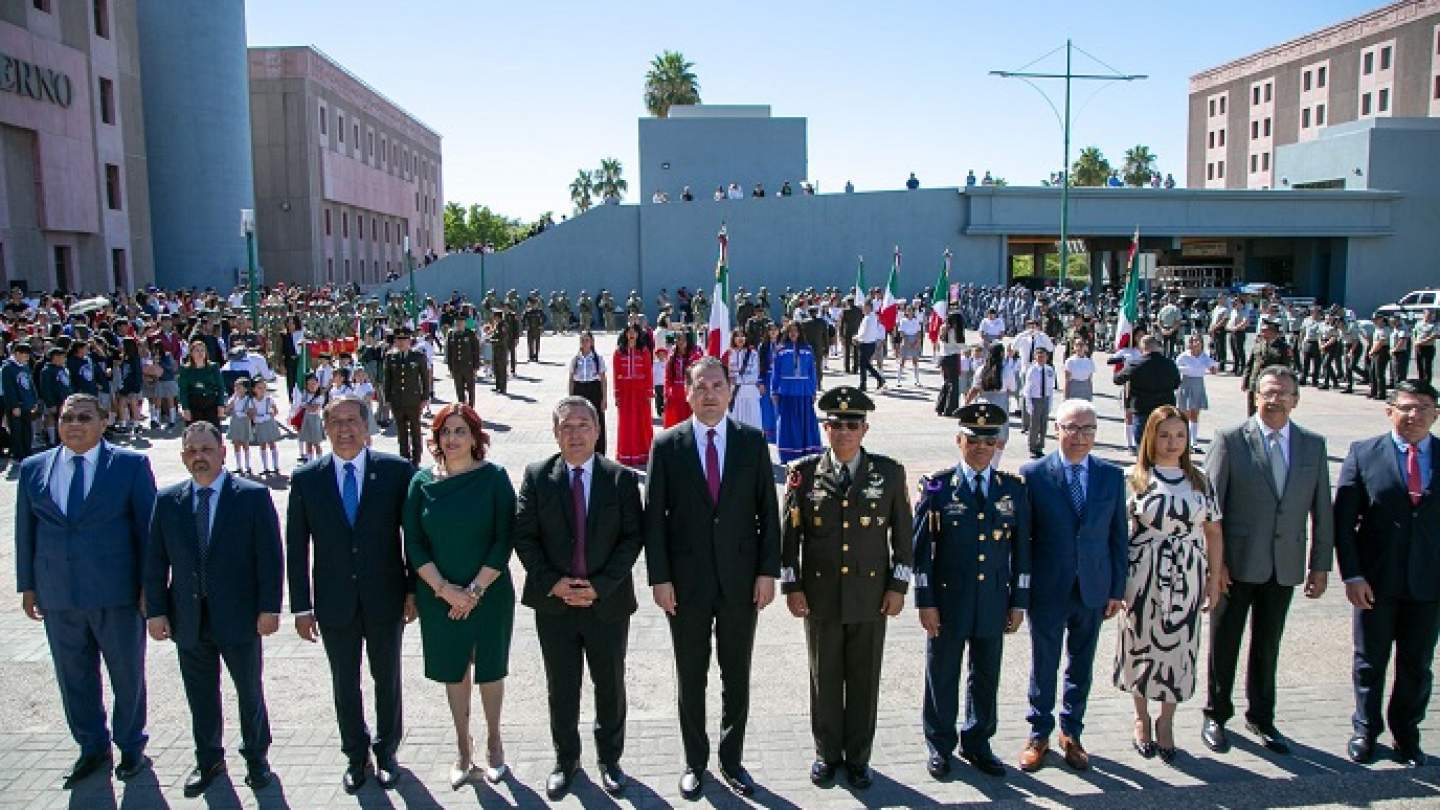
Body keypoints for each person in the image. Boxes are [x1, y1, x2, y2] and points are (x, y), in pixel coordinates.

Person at [644, 357, 781, 799]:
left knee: (736, 673)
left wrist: (766, 572)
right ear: (685, 392)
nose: (709, 394)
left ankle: (732, 759)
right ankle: (694, 760)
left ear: (730, 391)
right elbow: (654, 522)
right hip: (685, 585)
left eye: (717, 385)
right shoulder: (667, 445)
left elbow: (768, 514)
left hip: (742, 583)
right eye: (700, 386)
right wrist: (659, 579)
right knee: (692, 674)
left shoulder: (752, 442)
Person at [15, 394, 158, 788]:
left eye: (83, 417)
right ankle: (92, 747)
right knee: (73, 676)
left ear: (104, 421)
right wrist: (27, 585)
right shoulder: (33, 468)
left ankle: (131, 747)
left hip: (118, 594)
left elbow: (148, 529)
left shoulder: (129, 466)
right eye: (66, 417)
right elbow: (25, 532)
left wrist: (151, 586)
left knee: (126, 675)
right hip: (58, 595)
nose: (73, 424)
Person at [781, 387, 912, 788]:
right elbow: (789, 539)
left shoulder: (888, 473)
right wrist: (793, 588)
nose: (843, 432)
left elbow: (903, 538)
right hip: (820, 597)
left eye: (851, 425)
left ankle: (858, 758)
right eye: (835, 425)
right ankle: (827, 753)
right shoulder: (803, 474)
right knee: (824, 678)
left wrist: (898, 587)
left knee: (863, 679)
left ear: (865, 429)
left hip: (870, 597)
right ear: (825, 428)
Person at [514, 397, 644, 799]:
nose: (575, 434)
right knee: (562, 685)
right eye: (566, 427)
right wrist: (554, 583)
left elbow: (632, 537)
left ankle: (610, 759)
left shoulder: (619, 478)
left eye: (583, 425)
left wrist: (600, 584)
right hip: (554, 605)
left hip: (607, 603)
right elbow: (524, 536)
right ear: (555, 433)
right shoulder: (538, 477)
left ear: (597, 429)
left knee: (610, 684)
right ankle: (566, 760)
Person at [286, 397, 417, 793]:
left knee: (387, 677)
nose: (344, 430)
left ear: (367, 427)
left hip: (385, 597)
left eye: (352, 422)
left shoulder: (395, 472)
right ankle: (355, 754)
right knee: (345, 681)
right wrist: (301, 607)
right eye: (335, 422)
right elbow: (296, 546)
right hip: (334, 601)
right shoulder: (307, 478)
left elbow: (413, 536)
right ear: (324, 428)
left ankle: (388, 751)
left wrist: (412, 590)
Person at [144, 421, 282, 795]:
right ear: (183, 457)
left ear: (223, 452)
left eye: (206, 449)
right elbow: (155, 561)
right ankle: (208, 759)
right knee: (200, 695)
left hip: (240, 618)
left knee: (249, 691)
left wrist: (270, 608)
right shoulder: (168, 501)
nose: (199, 457)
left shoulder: (251, 496)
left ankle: (257, 758)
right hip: (188, 619)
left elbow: (270, 558)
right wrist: (155, 611)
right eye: (192, 451)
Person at [1202, 365, 1333, 756]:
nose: (1275, 399)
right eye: (1268, 392)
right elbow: (1211, 510)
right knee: (1224, 642)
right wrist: (1215, 564)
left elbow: (1322, 508)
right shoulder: (1230, 440)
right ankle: (1216, 714)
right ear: (1255, 396)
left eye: (1283, 393)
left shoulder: (1312, 444)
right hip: (1235, 564)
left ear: (1296, 399)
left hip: (1284, 563)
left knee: (1268, 644)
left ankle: (1262, 716)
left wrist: (1320, 564)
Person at [913, 402, 1031, 780]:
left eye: (989, 440)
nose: (981, 447)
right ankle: (939, 743)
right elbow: (920, 552)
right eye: (973, 439)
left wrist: (1019, 601)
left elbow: (1022, 551)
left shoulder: (1012, 489)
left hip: (993, 599)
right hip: (949, 600)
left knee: (986, 674)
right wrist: (925, 601)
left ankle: (978, 741)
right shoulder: (938, 486)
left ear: (998, 443)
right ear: (958, 440)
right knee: (942, 673)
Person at [404, 403, 516, 789]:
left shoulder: (495, 478)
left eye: (459, 431)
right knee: (454, 670)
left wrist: (473, 591)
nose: (451, 439)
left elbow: (504, 539)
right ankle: (463, 749)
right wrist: (444, 590)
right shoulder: (421, 482)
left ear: (474, 437)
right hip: (439, 596)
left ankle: (495, 743)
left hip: (489, 594)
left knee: (490, 669)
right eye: (445, 432)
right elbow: (414, 543)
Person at [1018, 399, 1128, 773]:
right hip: (1048, 588)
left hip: (1093, 588)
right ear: (1056, 430)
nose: (1080, 437)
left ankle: (1072, 733)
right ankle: (1039, 733)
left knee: (1081, 664)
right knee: (1044, 663)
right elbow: (1024, 539)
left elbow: (1118, 536)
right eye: (1072, 428)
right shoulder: (1033, 474)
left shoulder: (1111, 476)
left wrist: (1117, 588)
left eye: (1088, 429)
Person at [1334, 379, 1439, 767]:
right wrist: (1352, 575)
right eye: (1406, 407)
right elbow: (1343, 522)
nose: (1414, 415)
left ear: (1435, 414)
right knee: (1369, 661)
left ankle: (1406, 734)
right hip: (1375, 581)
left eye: (1423, 408)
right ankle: (1365, 729)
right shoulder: (1364, 453)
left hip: (1428, 582)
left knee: (1417, 663)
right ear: (1389, 410)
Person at [1115, 407, 1224, 764]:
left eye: (1179, 435)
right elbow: (1118, 535)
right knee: (1140, 645)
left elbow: (1213, 530)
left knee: (1180, 648)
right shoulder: (1134, 477)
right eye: (1164, 435)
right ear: (1151, 437)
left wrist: (1213, 579)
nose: (1172, 442)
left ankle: (1167, 721)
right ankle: (1141, 717)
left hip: (1187, 573)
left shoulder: (1200, 479)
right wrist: (1119, 584)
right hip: (1143, 573)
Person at [1114, 335, 1181, 448]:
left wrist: (1125, 366)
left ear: (1142, 347)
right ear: (1156, 346)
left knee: (1143, 445)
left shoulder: (1135, 363)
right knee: (1162, 443)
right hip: (1164, 409)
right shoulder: (1170, 363)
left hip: (1142, 409)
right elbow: (1176, 384)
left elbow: (1117, 379)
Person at [771, 322, 823, 463]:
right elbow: (775, 373)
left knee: (804, 421)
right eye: (790, 331)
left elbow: (812, 372)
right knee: (787, 422)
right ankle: (788, 453)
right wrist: (774, 390)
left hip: (803, 391)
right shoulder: (780, 350)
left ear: (800, 333)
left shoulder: (807, 349)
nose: (793, 333)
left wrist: (813, 390)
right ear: (786, 333)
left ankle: (808, 450)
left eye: (796, 331)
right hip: (786, 391)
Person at [384, 327, 431, 465]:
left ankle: (416, 460)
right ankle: (404, 459)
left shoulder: (418, 356)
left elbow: (424, 378)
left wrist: (425, 397)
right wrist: (387, 399)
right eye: (399, 339)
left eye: (404, 339)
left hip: (414, 400)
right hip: (397, 401)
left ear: (409, 340)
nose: (401, 342)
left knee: (415, 430)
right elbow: (388, 380)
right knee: (402, 432)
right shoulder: (390, 357)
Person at [612, 326, 653, 467]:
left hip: (641, 392)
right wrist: (617, 394)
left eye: (634, 332)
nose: (631, 334)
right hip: (625, 393)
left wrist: (649, 392)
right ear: (624, 334)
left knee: (642, 422)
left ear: (637, 334)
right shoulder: (618, 353)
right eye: (628, 331)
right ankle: (626, 454)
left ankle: (644, 454)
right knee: (626, 423)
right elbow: (616, 375)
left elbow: (648, 373)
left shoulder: (645, 351)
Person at [1176, 334, 1220, 453]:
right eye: (1193, 341)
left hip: (1198, 385)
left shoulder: (1204, 356)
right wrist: (1185, 369)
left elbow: (1213, 367)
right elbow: (1176, 368)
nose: (1196, 343)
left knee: (1195, 414)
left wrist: (1213, 368)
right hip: (1186, 384)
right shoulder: (1184, 356)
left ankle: (1193, 441)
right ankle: (1183, 440)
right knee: (1184, 414)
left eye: (1198, 341)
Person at [568, 331, 609, 456]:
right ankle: (582, 449)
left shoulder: (597, 358)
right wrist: (570, 399)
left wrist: (604, 398)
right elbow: (571, 379)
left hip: (594, 389)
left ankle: (599, 451)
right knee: (580, 421)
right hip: (579, 390)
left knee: (597, 421)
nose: (584, 343)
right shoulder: (575, 359)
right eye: (582, 340)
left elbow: (603, 379)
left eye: (587, 340)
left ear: (592, 342)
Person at [3, 341, 40, 458]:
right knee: (17, 431)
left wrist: (34, 400)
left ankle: (27, 451)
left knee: (27, 429)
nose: (27, 358)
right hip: (17, 405)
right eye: (25, 355)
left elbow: (30, 384)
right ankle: (18, 454)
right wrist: (14, 405)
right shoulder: (7, 368)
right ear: (17, 353)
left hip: (27, 404)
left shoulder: (24, 366)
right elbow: (9, 389)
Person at [1022, 346, 1058, 459]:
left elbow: (1050, 388)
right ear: (1035, 357)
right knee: (1034, 426)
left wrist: (1051, 402)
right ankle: (1032, 447)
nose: (1041, 358)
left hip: (1045, 399)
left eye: (1043, 356)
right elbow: (1027, 389)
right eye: (1039, 356)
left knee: (1043, 425)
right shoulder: (1032, 370)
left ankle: (1040, 447)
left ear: (1047, 357)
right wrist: (1028, 404)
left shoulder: (1049, 370)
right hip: (1035, 399)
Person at [726, 329, 764, 431]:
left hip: (750, 393)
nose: (740, 338)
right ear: (733, 338)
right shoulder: (728, 354)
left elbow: (754, 376)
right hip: (734, 394)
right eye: (737, 336)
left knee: (752, 421)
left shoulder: (753, 354)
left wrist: (737, 379)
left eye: (742, 336)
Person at [663, 330, 702, 427]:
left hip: (690, 392)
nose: (680, 342)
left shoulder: (695, 356)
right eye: (678, 339)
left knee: (689, 423)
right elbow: (668, 377)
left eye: (683, 339)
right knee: (675, 423)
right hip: (675, 394)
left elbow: (700, 375)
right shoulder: (672, 357)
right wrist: (667, 393)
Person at [445, 312, 481, 407]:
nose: (459, 324)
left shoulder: (470, 334)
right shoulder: (451, 334)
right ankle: (462, 407)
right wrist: (450, 367)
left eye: (461, 322)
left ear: (465, 323)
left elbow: (476, 350)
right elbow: (449, 352)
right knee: (459, 389)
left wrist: (476, 366)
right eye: (457, 322)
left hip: (468, 366)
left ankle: (471, 407)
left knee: (470, 389)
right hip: (456, 367)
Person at [853, 301, 887, 391]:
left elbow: (864, 333)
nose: (862, 309)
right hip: (870, 344)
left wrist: (856, 337)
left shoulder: (868, 318)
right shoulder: (872, 317)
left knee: (863, 365)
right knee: (866, 365)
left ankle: (863, 384)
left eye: (864, 307)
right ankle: (879, 379)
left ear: (868, 307)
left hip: (866, 344)